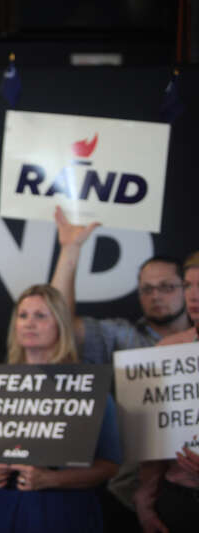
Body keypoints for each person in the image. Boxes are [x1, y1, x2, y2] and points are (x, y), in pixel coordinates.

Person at [50, 206, 189, 528]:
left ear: (188, 289)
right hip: (128, 491)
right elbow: (61, 326)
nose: (156, 296)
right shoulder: (124, 336)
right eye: (146, 289)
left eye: (167, 287)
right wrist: (70, 249)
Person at [0, 284, 121, 533]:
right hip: (7, 509)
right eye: (23, 316)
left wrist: (52, 479)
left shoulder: (88, 387)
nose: (29, 323)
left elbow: (110, 464)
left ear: (61, 325)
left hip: (66, 511)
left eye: (41, 315)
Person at [133, 251, 199, 533]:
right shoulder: (167, 351)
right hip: (179, 499)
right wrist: (145, 500)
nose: (194, 296)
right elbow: (155, 440)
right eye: (188, 286)